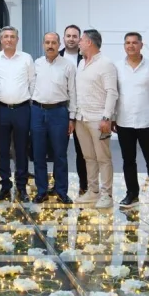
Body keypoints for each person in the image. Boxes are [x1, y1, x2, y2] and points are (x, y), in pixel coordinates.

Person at [115, 32, 149, 210]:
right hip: (124, 121)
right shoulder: (117, 67)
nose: (131, 46)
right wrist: (112, 117)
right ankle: (132, 193)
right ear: (124, 45)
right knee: (128, 161)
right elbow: (114, 94)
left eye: (134, 43)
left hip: (147, 122)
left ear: (141, 45)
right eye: (127, 43)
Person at [31, 32, 76, 205]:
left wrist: (72, 118)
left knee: (60, 155)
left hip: (59, 112)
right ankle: (41, 190)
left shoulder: (68, 66)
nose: (50, 46)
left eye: (53, 43)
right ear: (43, 44)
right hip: (37, 111)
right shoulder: (36, 64)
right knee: (38, 154)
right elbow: (31, 86)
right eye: (47, 42)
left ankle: (61, 191)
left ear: (59, 44)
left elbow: (73, 92)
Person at [74, 29, 117, 207]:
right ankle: (93, 191)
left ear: (89, 42)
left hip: (98, 119)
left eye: (81, 40)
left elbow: (112, 92)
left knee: (103, 158)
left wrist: (107, 117)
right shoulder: (81, 63)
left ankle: (107, 195)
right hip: (81, 118)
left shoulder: (106, 64)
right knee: (89, 157)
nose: (79, 43)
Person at [0, 26, 35, 200]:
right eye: (6, 37)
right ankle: (5, 185)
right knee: (2, 150)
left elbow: (32, 82)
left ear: (17, 39)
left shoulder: (26, 58)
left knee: (21, 149)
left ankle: (21, 186)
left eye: (12, 36)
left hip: (22, 109)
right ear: (1, 39)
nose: (9, 39)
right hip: (1, 109)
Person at [60, 24, 88, 196]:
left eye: (74, 36)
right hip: (60, 110)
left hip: (82, 110)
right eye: (68, 36)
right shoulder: (56, 57)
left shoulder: (87, 58)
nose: (71, 39)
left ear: (80, 39)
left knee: (82, 151)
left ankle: (84, 185)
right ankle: (59, 185)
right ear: (64, 38)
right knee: (59, 151)